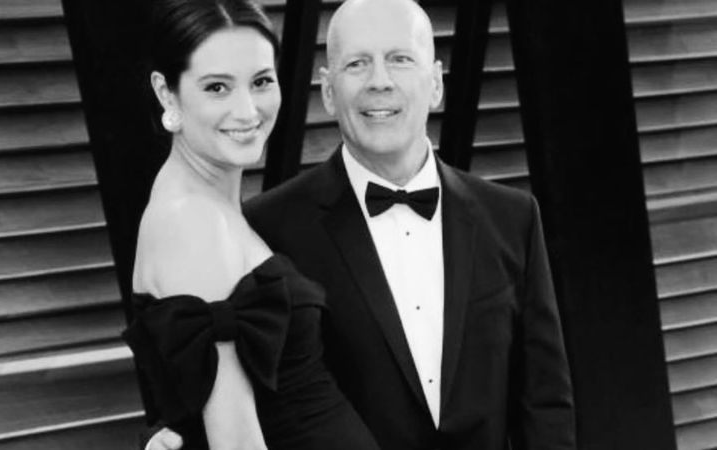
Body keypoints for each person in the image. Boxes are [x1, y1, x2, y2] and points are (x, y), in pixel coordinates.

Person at [147, 0, 576, 449]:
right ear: (328, 92)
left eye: (400, 59)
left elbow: (546, 406)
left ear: (435, 83)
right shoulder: (263, 229)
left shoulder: (513, 219)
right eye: (357, 64)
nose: (379, 81)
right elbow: (211, 381)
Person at [124, 0, 382, 449]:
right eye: (217, 87)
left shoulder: (213, 208)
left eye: (261, 81)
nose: (247, 111)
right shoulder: (193, 221)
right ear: (167, 94)